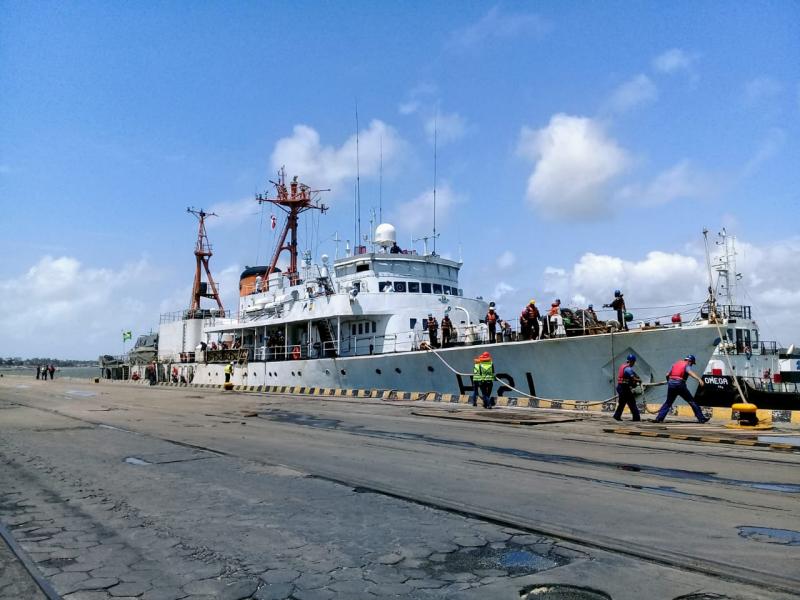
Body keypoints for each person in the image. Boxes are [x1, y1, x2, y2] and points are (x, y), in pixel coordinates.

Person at [654, 354, 708, 423]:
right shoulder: (687, 365)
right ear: (690, 361)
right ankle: (701, 418)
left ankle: (659, 418)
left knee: (668, 402)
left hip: (671, 385)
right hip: (680, 385)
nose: (691, 365)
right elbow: (690, 372)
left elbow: (667, 375)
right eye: (692, 363)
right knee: (691, 401)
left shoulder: (675, 364)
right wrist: (699, 379)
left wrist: (669, 381)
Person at [614, 354, 641, 421]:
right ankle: (636, 417)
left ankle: (617, 416)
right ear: (631, 361)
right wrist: (639, 380)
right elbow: (633, 378)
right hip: (624, 388)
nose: (634, 364)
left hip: (620, 387)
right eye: (633, 362)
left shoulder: (622, 366)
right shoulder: (628, 369)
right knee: (632, 402)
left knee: (622, 403)